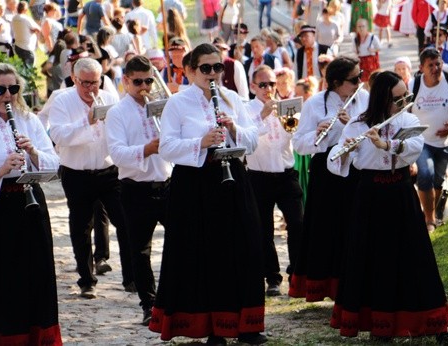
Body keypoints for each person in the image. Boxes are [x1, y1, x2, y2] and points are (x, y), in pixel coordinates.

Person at [327, 71, 448, 343]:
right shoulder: (356, 124)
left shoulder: (409, 119)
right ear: (382, 99)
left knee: (416, 255)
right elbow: (334, 162)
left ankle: (436, 325)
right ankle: (380, 326)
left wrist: (386, 143)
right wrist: (348, 149)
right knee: (373, 256)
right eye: (397, 99)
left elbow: (413, 148)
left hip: (400, 191)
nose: (404, 103)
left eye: (406, 97)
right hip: (370, 194)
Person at [149, 43, 267, 345]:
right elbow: (167, 148)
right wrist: (201, 142)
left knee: (245, 246)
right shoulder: (178, 103)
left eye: (218, 68)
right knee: (207, 252)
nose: (213, 74)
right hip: (196, 183)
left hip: (233, 176)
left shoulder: (232, 98)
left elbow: (253, 138)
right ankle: (214, 328)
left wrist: (235, 129)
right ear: (190, 70)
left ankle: (246, 325)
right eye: (206, 68)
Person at [0, 62, 62, 344]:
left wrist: (33, 152)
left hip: (28, 204)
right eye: (0, 89)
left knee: (34, 272)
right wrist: (0, 169)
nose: (7, 95)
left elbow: (54, 163)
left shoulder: (28, 120)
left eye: (13, 88)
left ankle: (35, 335)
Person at [49, 58, 133, 298]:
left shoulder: (109, 98)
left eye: (95, 83)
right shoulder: (62, 100)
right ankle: (87, 280)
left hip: (109, 171)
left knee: (125, 222)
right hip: (76, 173)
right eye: (84, 83)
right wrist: (86, 122)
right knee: (81, 227)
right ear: (75, 80)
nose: (90, 89)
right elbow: (59, 136)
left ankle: (131, 277)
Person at [289, 56, 368, 302]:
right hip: (326, 172)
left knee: (355, 226)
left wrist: (353, 125)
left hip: (357, 167)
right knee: (327, 228)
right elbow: (299, 145)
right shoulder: (314, 104)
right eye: (354, 79)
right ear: (335, 83)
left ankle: (355, 283)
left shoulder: (364, 99)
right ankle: (329, 287)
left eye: (360, 76)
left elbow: (375, 132)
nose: (359, 82)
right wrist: (318, 132)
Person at [105, 55, 173, 326]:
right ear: (125, 81)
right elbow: (117, 154)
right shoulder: (117, 113)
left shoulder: (162, 106)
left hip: (167, 183)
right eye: (138, 82)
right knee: (140, 251)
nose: (144, 87)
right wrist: (148, 149)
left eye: (149, 81)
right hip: (135, 189)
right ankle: (149, 304)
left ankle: (173, 296)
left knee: (180, 240)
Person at [245, 65, 303, 297]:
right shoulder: (247, 110)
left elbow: (295, 137)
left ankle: (297, 273)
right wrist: (262, 116)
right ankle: (272, 277)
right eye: (263, 85)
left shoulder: (286, 105)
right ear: (253, 87)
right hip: (259, 176)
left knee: (298, 225)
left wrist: (287, 121)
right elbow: (246, 137)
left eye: (272, 84)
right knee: (263, 230)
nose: (269, 89)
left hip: (286, 174)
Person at [410, 48, 448, 231]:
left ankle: (434, 212)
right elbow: (403, 113)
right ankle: (429, 220)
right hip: (422, 142)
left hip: (446, 144)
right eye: (431, 65)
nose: (435, 68)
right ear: (421, 68)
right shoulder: (413, 85)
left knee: (437, 181)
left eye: (438, 64)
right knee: (425, 175)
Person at [11, 0, 41, 67]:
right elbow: (38, 29)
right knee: (28, 70)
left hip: (17, 45)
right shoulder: (26, 19)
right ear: (25, 9)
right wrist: (33, 30)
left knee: (20, 68)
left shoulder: (14, 18)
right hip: (27, 48)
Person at [353, 18, 381, 83]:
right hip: (361, 61)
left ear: (367, 27)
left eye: (363, 26)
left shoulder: (372, 37)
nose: (361, 28)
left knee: (372, 80)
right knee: (363, 81)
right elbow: (354, 50)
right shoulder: (355, 39)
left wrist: (373, 50)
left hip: (371, 61)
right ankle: (366, 92)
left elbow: (379, 48)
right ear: (356, 28)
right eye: (359, 26)